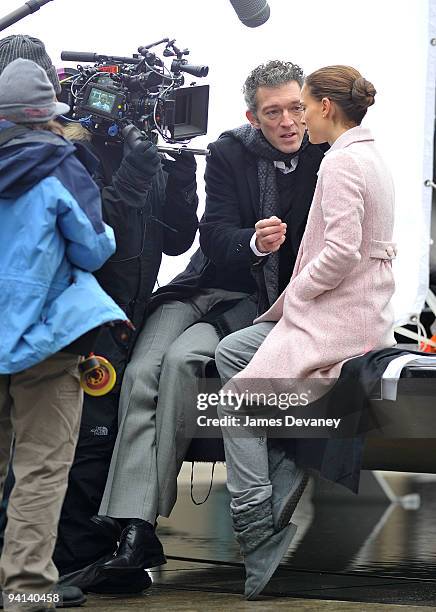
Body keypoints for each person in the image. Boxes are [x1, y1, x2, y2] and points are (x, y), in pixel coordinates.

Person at [92, 60, 326, 577]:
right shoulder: (227, 150)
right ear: (252, 116)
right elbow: (212, 236)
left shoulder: (328, 157)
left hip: (258, 302)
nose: (288, 121)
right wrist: (252, 241)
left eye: (295, 108)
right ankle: (125, 524)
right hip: (205, 283)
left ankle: (138, 526)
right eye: (273, 113)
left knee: (178, 365)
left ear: (309, 108)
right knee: (140, 370)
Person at [0, 33, 199, 592]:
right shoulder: (67, 158)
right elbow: (91, 243)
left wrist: (180, 185)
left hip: (115, 318)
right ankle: (53, 568)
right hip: (70, 329)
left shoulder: (137, 151)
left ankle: (72, 557)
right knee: (62, 455)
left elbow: (177, 239)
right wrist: (130, 180)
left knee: (87, 446)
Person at [215, 65, 396, 599]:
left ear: (324, 108)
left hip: (338, 319)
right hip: (353, 312)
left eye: (303, 105)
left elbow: (340, 252)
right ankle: (283, 476)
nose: (297, 118)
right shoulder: (367, 154)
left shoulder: (340, 164)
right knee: (232, 352)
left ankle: (256, 524)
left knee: (232, 401)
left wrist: (294, 297)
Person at [0, 58, 127, 611]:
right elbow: (94, 247)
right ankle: (25, 589)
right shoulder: (61, 164)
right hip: (43, 341)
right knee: (42, 467)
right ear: (48, 113)